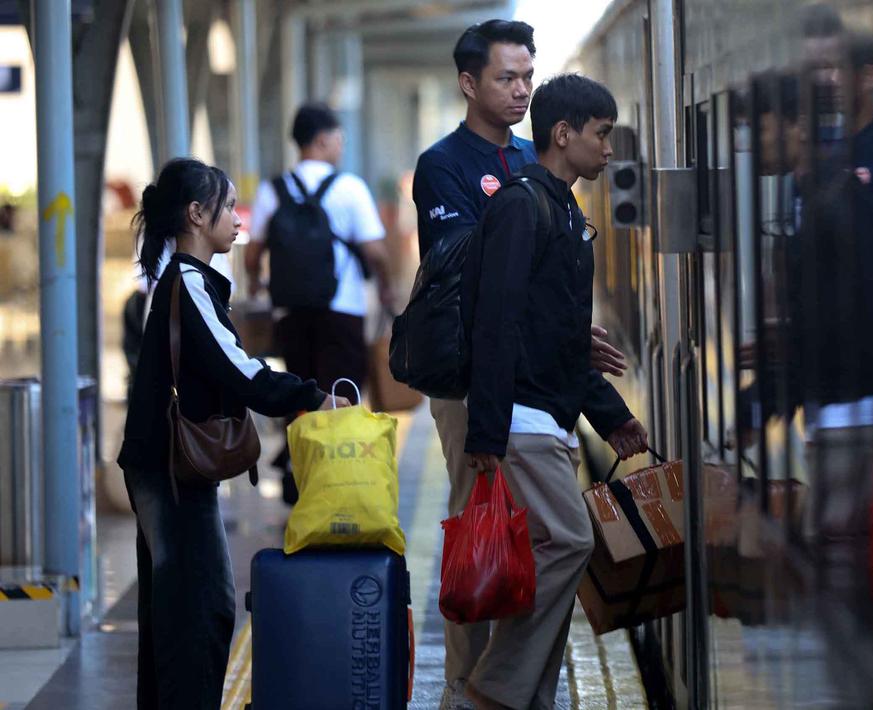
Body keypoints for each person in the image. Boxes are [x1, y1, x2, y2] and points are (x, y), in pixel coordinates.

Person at [410, 21, 625, 707]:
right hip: (476, 379)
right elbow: (466, 277)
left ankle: (514, 688)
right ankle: (466, 688)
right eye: (506, 77)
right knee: (482, 534)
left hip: (535, 377)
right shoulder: (445, 164)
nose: (519, 89)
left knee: (530, 544)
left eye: (527, 77)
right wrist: (549, 316)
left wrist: (557, 323)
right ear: (470, 83)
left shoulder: (539, 161)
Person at [117, 158, 348, 709]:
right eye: (226, 206)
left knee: (175, 609)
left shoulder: (185, 281)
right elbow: (240, 371)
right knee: (200, 611)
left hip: (162, 464)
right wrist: (313, 397)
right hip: (168, 471)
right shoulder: (188, 284)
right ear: (197, 215)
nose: (237, 217)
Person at [461, 73, 649, 710]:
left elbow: (563, 337)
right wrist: (484, 432)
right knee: (569, 541)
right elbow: (496, 322)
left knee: (554, 552)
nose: (609, 150)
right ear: (563, 134)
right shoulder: (522, 206)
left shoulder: (564, 209)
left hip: (551, 415)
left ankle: (528, 697)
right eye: (602, 135)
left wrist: (612, 417)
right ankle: (495, 689)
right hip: (520, 418)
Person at [244, 102, 393, 504]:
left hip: (291, 313)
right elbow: (376, 252)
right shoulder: (349, 188)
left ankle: (303, 478)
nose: (340, 147)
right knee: (342, 395)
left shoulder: (272, 190)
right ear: (323, 139)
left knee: (302, 396)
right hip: (341, 311)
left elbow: (252, 253)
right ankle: (341, 485)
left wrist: (259, 285)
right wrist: (385, 287)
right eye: (338, 139)